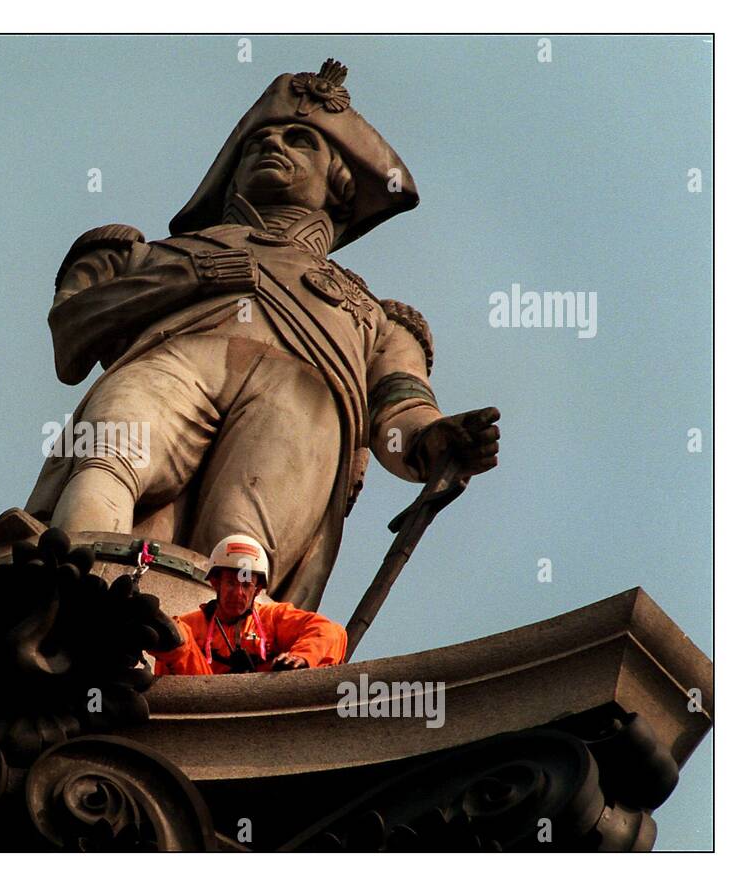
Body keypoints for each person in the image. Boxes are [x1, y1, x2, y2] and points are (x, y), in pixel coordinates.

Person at [25, 61, 499, 612]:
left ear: (341, 183)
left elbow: (399, 410)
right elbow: (73, 331)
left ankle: (214, 651)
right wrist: (196, 275)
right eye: (260, 141)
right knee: (113, 447)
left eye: (300, 141)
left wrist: (435, 441)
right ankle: (75, 593)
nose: (274, 145)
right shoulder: (149, 254)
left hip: (306, 403)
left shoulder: (378, 318)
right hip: (174, 359)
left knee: (239, 539)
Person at [154, 534, 346, 676]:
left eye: (246, 585)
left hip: (265, 701)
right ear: (215, 582)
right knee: (175, 635)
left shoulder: (272, 618)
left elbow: (328, 631)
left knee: (333, 636)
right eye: (231, 583)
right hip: (204, 699)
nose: (238, 593)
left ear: (258, 589)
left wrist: (303, 657)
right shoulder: (192, 626)